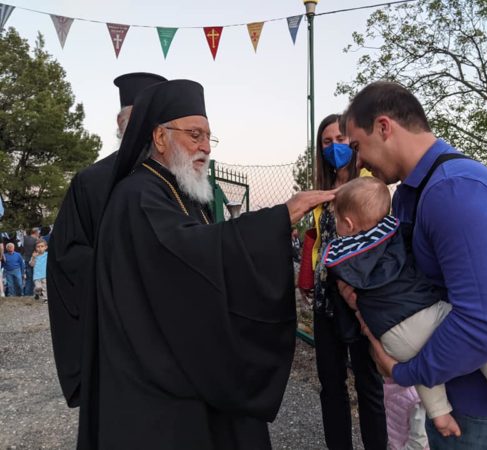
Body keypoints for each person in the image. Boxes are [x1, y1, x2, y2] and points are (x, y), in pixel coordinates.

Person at [74, 79, 334, 449]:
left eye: (209, 137)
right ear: (160, 137)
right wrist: (277, 219)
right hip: (153, 377)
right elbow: (190, 252)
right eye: (195, 135)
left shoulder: (176, 190)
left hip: (179, 354)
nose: (206, 147)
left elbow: (201, 256)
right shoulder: (138, 195)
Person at [337, 81, 487, 449]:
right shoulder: (414, 193)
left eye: (356, 146)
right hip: (470, 407)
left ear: (384, 127)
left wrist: (405, 372)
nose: (357, 163)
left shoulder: (453, 192)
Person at [324, 176, 487, 438]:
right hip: (425, 314)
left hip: (390, 338)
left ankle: (440, 415)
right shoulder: (396, 233)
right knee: (478, 333)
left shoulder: (340, 258)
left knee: (420, 364)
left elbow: (344, 296)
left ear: (348, 223)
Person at [47, 72, 167, 408]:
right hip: (114, 326)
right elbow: (66, 255)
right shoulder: (90, 182)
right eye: (138, 120)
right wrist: (118, 270)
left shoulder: (179, 180)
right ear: (120, 123)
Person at [301, 113, 387, 450]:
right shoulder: (321, 192)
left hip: (359, 299)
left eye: (339, 140)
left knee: (368, 384)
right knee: (331, 384)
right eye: (326, 142)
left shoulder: (370, 184)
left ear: (352, 143)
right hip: (326, 300)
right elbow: (321, 241)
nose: (334, 147)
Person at [22, 228, 40, 296]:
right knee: (35, 278)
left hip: (26, 259)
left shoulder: (25, 238)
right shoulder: (36, 240)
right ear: (36, 232)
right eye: (38, 232)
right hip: (34, 260)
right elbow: (38, 251)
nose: (39, 233)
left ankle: (27, 293)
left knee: (29, 278)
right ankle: (32, 293)